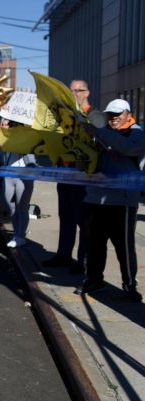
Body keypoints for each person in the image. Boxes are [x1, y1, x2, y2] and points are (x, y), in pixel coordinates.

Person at [75, 99, 144, 302]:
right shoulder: (101, 132)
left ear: (127, 114)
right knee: (95, 244)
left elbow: (127, 148)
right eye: (110, 115)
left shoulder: (136, 132)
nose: (113, 118)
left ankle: (129, 285)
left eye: (117, 114)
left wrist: (98, 131)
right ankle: (94, 279)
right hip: (95, 198)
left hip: (122, 202)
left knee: (124, 246)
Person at [43, 79, 105, 272]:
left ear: (87, 93)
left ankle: (83, 261)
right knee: (66, 217)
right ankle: (63, 255)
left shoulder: (95, 116)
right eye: (72, 91)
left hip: (83, 178)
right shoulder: (65, 116)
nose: (76, 93)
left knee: (83, 221)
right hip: (65, 174)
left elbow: (100, 143)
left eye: (80, 90)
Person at [0, 120, 37, 248]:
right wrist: (1, 113)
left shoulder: (28, 137)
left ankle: (20, 236)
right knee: (11, 207)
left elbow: (32, 157)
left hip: (23, 176)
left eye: (14, 126)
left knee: (22, 207)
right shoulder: (6, 139)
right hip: (9, 175)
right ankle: (16, 234)